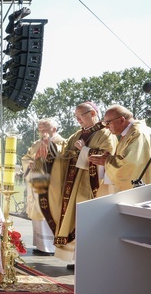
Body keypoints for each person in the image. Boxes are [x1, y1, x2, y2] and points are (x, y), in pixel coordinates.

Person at [45, 102, 115, 269]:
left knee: (86, 221)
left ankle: (89, 260)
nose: (78, 120)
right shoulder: (77, 134)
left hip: (91, 186)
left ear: (92, 113)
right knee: (74, 219)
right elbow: (64, 155)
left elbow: (107, 158)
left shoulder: (106, 133)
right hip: (72, 184)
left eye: (81, 116)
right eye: (76, 117)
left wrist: (84, 150)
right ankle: (78, 259)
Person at [21, 118, 65, 256]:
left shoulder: (62, 143)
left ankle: (51, 247)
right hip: (37, 181)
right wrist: (29, 164)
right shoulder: (36, 144)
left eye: (45, 129)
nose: (42, 132)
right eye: (40, 129)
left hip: (52, 185)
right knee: (37, 212)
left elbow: (62, 161)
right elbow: (26, 158)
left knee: (48, 212)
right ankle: (41, 246)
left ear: (54, 129)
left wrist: (48, 147)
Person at [89, 105, 151, 193]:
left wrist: (107, 161)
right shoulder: (130, 133)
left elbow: (130, 166)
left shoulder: (137, 134)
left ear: (121, 120)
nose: (106, 127)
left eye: (108, 123)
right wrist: (111, 158)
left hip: (140, 193)